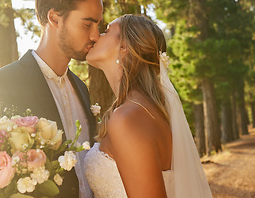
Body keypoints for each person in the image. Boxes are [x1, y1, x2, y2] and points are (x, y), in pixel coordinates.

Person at [0, 0, 107, 198]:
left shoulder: (82, 89)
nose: (96, 36)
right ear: (54, 18)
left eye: (98, 25)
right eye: (87, 24)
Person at [84, 14, 213, 198]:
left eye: (106, 31)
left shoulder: (128, 118)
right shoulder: (144, 111)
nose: (96, 36)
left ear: (124, 47)